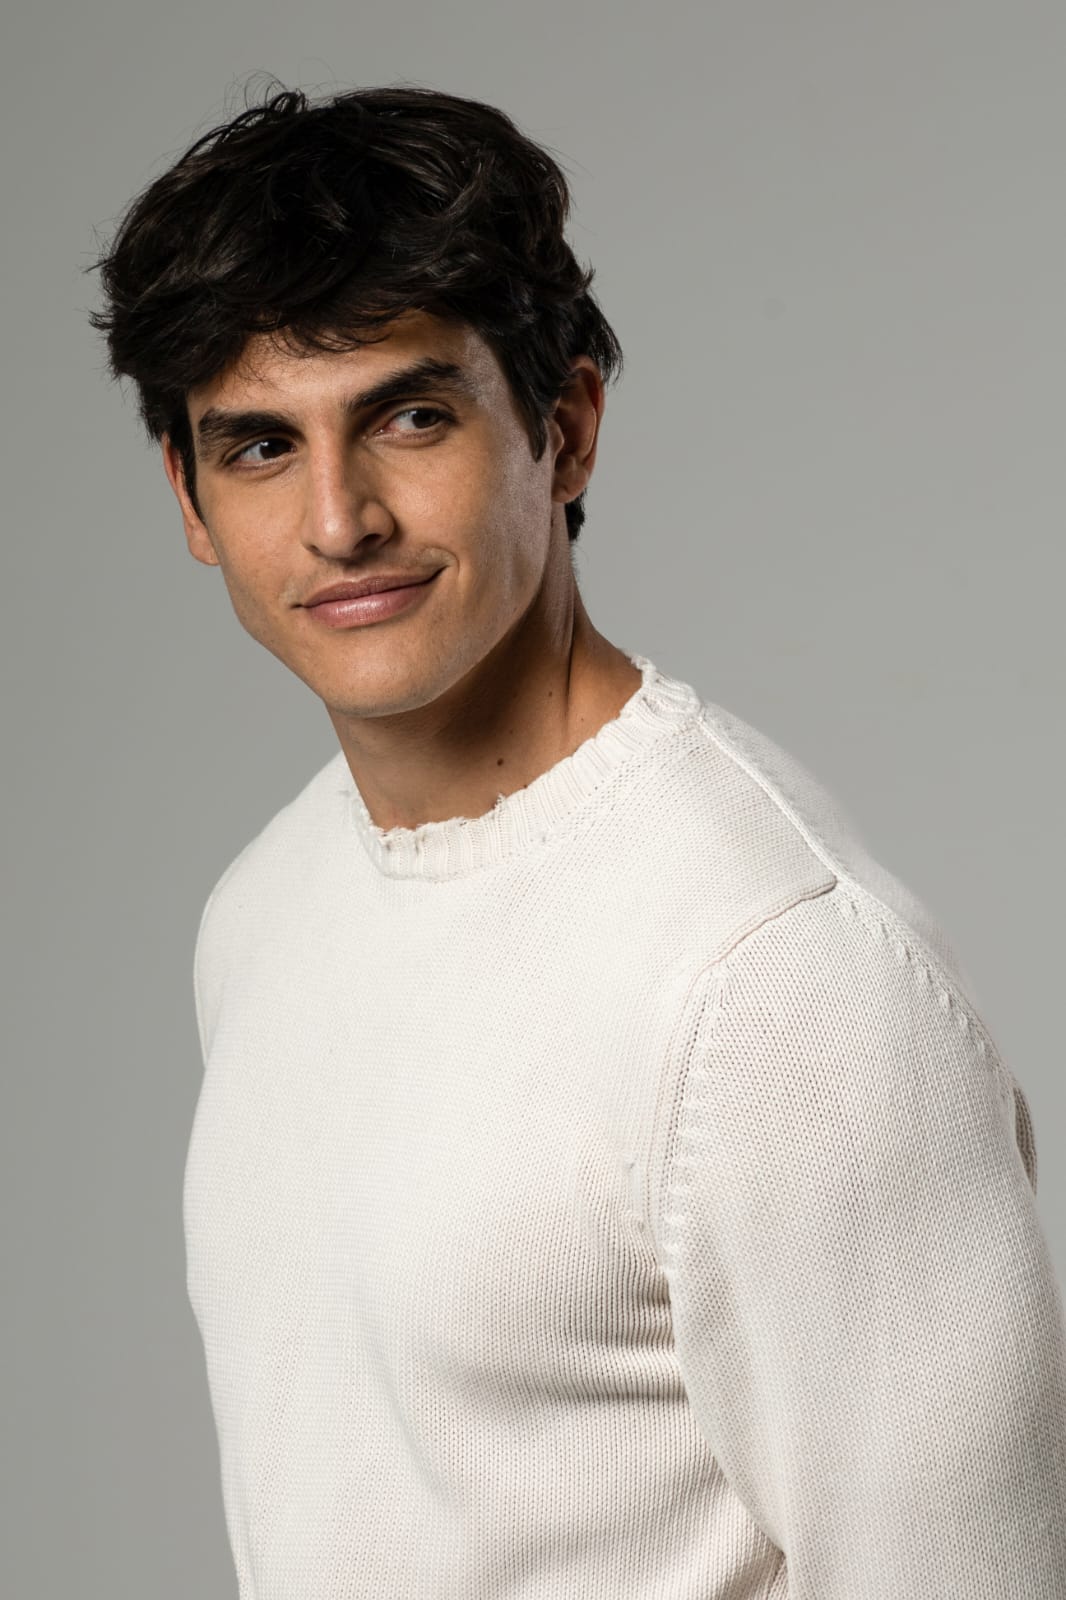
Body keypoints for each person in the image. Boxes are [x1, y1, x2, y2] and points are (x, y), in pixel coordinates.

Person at [91, 82, 1066, 1599]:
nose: (339, 520)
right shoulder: (266, 904)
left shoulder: (783, 985)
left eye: (410, 416)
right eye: (262, 446)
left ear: (565, 430)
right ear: (191, 499)